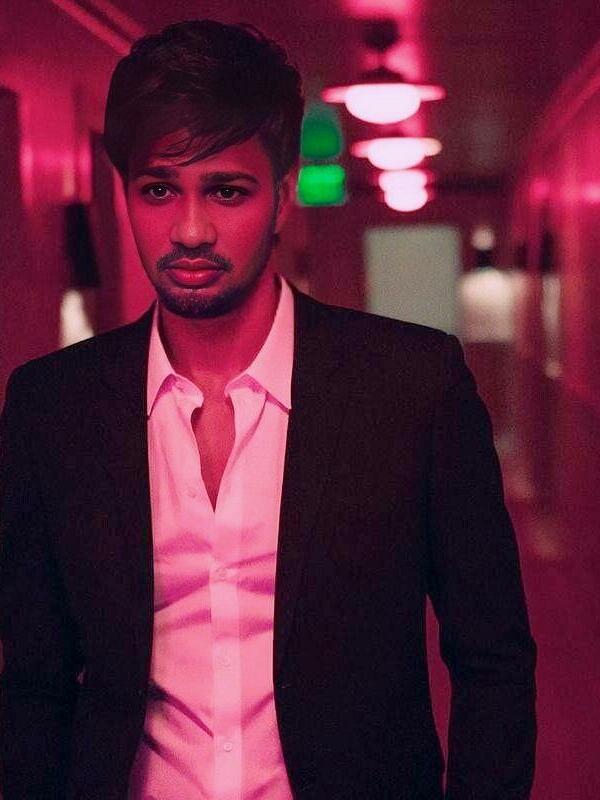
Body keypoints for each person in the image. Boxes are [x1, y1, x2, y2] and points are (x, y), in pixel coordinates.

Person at [0, 19, 536, 800]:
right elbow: (34, 683)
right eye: (159, 190)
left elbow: (492, 659)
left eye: (227, 190)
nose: (190, 230)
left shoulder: (414, 387)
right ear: (125, 194)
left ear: (283, 197)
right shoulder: (51, 406)